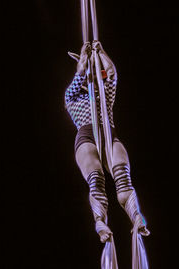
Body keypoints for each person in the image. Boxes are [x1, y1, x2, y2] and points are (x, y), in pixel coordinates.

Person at [64, 41, 150, 243]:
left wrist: (101, 52)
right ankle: (100, 220)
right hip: (87, 138)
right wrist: (85, 61)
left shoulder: (105, 96)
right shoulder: (72, 97)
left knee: (122, 176)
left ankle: (136, 215)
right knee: (96, 179)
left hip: (110, 136)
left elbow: (111, 73)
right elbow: (80, 76)